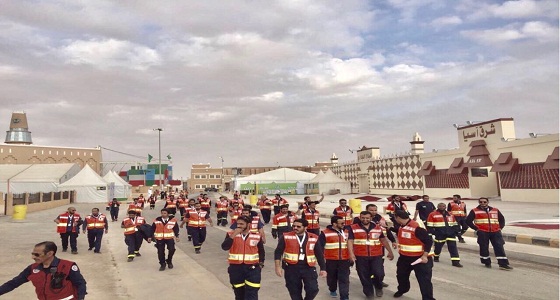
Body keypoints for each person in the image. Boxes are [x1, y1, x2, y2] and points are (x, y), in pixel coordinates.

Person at [0, 241, 87, 300]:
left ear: (50, 253)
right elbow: (13, 283)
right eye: (33, 254)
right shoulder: (32, 269)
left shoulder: (68, 266)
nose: (33, 257)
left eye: (37, 254)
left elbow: (80, 284)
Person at [274, 219, 327, 300]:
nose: (295, 228)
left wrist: (323, 268)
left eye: (298, 226)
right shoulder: (286, 236)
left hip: (308, 268)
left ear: (305, 227)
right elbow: (278, 252)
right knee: (294, 292)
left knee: (313, 289)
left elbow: (319, 254)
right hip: (291, 268)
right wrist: (277, 267)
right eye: (294, 226)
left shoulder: (314, 237)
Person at [347, 211, 394, 298]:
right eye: (363, 218)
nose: (365, 219)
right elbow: (350, 241)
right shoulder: (353, 228)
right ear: (360, 218)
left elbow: (383, 240)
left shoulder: (377, 227)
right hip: (360, 255)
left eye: (367, 218)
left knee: (378, 273)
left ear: (371, 218)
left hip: (376, 255)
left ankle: (378, 286)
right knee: (363, 275)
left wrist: (390, 252)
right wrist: (351, 254)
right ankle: (369, 293)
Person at [221, 215, 265, 300]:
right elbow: (224, 247)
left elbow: (261, 251)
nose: (239, 226)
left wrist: (261, 264)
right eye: (238, 224)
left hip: (252, 269)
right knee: (239, 294)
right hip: (236, 269)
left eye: (242, 224)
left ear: (248, 224)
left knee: (252, 293)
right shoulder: (231, 234)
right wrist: (233, 235)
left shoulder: (256, 235)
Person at [393, 210, 434, 299]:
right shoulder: (402, 226)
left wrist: (425, 255)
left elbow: (428, 241)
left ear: (398, 218)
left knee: (424, 281)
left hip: (420, 259)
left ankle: (428, 298)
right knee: (401, 275)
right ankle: (402, 289)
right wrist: (389, 228)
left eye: (394, 217)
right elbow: (403, 233)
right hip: (404, 258)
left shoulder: (417, 227)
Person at [466, 197, 512, 270]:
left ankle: (503, 264)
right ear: (479, 202)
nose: (483, 203)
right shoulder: (474, 211)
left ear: (488, 202)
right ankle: (486, 262)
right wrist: (477, 229)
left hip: (495, 232)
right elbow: (468, 221)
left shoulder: (495, 210)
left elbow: (501, 219)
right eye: (481, 202)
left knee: (499, 247)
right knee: (484, 247)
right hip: (483, 232)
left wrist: (500, 228)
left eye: (484, 202)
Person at [318, 216, 352, 300]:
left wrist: (351, 257)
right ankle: (332, 289)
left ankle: (344, 297)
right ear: (334, 224)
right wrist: (321, 260)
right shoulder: (325, 233)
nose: (344, 225)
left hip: (344, 260)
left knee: (344, 279)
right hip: (331, 260)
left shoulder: (347, 232)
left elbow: (351, 245)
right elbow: (320, 247)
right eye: (341, 223)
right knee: (331, 278)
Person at [427, 203, 463, 267]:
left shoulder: (450, 214)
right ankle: (436, 256)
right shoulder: (432, 214)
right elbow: (429, 225)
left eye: (443, 206)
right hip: (440, 234)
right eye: (440, 206)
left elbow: (455, 223)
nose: (442, 207)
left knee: (453, 247)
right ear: (437, 206)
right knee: (438, 247)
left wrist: (457, 232)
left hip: (450, 234)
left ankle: (455, 262)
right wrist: (432, 233)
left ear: (445, 207)